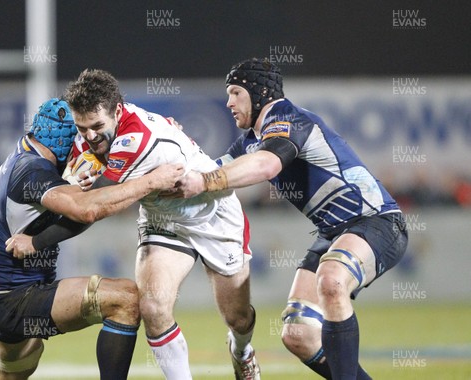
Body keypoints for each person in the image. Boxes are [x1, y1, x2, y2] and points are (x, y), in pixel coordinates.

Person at [173, 58, 408, 379]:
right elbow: (208, 168)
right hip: (334, 233)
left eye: (235, 93)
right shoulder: (251, 141)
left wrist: (206, 181)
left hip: (376, 221)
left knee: (332, 280)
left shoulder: (288, 119)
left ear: (258, 93)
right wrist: (177, 145)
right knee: (299, 334)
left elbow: (266, 166)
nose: (229, 102)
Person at [18, 69, 260, 379]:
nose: (90, 137)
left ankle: (242, 351)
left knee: (238, 318)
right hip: (162, 220)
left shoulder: (137, 139)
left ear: (117, 111)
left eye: (97, 127)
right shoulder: (94, 134)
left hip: (214, 216)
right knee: (153, 307)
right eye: (82, 128)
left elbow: (93, 210)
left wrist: (35, 240)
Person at [0, 98, 183, 380]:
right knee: (125, 300)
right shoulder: (33, 170)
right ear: (63, 138)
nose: (84, 143)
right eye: (78, 134)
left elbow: (82, 209)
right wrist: (151, 180)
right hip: (16, 297)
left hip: (1, 293)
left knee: (11, 375)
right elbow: (87, 210)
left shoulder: (25, 155)